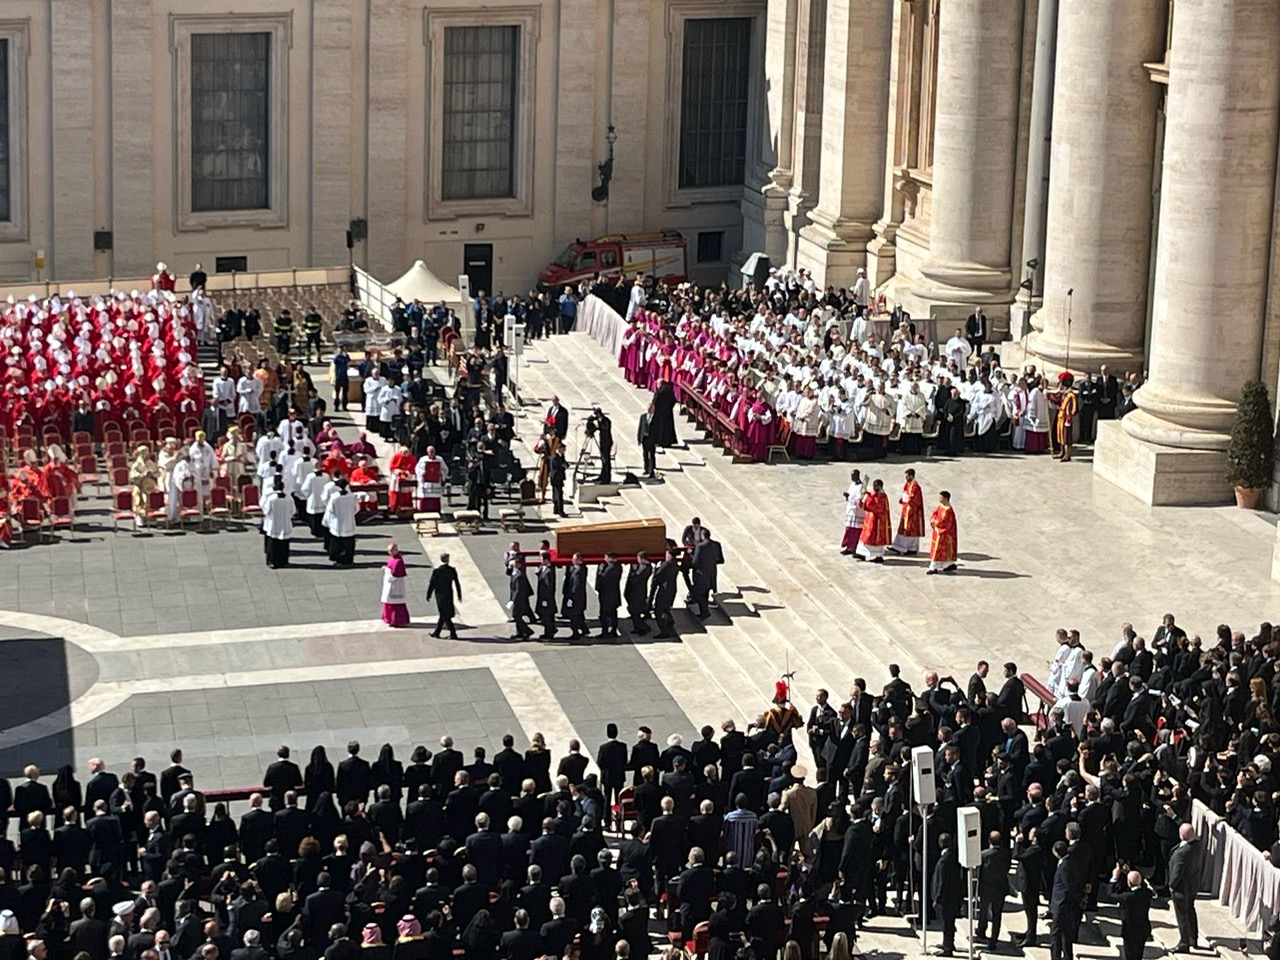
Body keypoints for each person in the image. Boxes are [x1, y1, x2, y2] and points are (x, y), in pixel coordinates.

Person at [1168, 822, 1201, 953]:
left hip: (1182, 888)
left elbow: (1177, 873)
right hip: (1192, 885)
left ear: (1182, 835)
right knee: (1190, 911)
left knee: (1182, 915)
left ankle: (1184, 942)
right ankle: (1193, 938)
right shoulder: (1197, 845)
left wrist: (1171, 885)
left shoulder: (1182, 853)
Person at [1113, 868, 1152, 960]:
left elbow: (1111, 894)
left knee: (1130, 955)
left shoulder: (1127, 897)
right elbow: (1142, 885)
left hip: (1130, 931)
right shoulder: (1147, 894)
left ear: (1129, 883)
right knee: (1138, 955)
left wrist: (1115, 877)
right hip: (1142, 929)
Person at [426, 554, 462, 639]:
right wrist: (459, 594)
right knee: (444, 614)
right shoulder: (452, 570)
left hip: (440, 595)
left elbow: (432, 584)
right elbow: (457, 584)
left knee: (444, 615)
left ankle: (453, 633)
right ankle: (437, 632)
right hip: (449, 594)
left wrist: (429, 594)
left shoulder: (437, 571)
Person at [855, 479, 891, 563]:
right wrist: (864, 494)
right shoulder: (874, 494)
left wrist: (867, 498)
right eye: (874, 486)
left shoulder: (883, 497)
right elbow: (869, 498)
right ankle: (862, 553)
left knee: (875, 538)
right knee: (865, 537)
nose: (874, 487)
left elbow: (874, 506)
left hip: (878, 522)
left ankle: (878, 556)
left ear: (880, 486)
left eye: (876, 486)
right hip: (870, 519)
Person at [889, 468, 924, 555]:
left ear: (911, 476)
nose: (906, 478)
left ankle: (911, 548)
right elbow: (905, 494)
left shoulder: (916, 487)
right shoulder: (908, 484)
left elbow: (915, 499)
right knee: (903, 528)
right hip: (906, 510)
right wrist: (902, 499)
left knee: (911, 530)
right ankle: (898, 546)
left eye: (907, 476)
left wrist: (907, 499)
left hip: (913, 512)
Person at [261, 480, 293, 569]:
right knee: (284, 544)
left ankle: (272, 561)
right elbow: (292, 511)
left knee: (273, 544)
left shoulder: (271, 499)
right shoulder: (289, 498)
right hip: (285, 523)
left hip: (274, 524)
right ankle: (283, 560)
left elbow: (266, 511)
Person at [650, 548, 680, 639]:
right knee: (665, 609)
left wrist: (655, 569)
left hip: (664, 590)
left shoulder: (666, 564)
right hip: (672, 589)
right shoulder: (675, 564)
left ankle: (664, 630)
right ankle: (669, 622)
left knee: (659, 610)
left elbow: (657, 576)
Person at [927, 491, 958, 574]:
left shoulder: (948, 510)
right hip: (938, 531)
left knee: (938, 550)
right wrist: (933, 519)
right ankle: (947, 564)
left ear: (946, 499)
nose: (939, 499)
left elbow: (943, 521)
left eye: (941, 498)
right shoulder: (941, 506)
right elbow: (935, 513)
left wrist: (935, 522)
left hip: (944, 533)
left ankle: (933, 567)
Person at [381, 543, 410, 628]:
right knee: (390, 602)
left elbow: (396, 573)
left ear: (395, 550)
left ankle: (397, 620)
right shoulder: (392, 559)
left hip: (396, 585)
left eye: (390, 550)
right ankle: (389, 619)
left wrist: (387, 569)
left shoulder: (398, 561)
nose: (389, 552)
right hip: (391, 584)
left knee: (396, 603)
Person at [595, 552, 623, 639]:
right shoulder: (618, 566)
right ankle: (613, 630)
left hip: (607, 595)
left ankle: (605, 632)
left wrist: (600, 569)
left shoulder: (611, 567)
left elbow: (603, 577)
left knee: (604, 614)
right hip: (613, 594)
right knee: (613, 613)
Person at [839, 469, 864, 556]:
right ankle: (848, 546)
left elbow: (859, 499)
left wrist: (849, 498)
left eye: (853, 476)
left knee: (856, 530)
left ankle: (854, 547)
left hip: (857, 511)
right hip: (850, 510)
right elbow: (850, 495)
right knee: (849, 529)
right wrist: (847, 496)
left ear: (857, 475)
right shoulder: (852, 484)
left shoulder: (861, 486)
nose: (852, 478)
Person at [564, 554, 589, 640]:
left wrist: (571, 597)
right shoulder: (579, 569)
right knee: (579, 615)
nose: (572, 560)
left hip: (576, 598)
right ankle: (584, 629)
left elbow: (576, 586)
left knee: (574, 615)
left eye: (574, 559)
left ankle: (575, 632)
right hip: (579, 598)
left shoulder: (579, 571)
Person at [1054, 372, 1078, 462]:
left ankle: (1067, 455)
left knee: (1067, 437)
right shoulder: (1064, 393)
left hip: (1066, 419)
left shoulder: (1071, 394)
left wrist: (1069, 418)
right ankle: (1062, 452)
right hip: (1061, 417)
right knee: (1061, 436)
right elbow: (1057, 400)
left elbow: (1073, 408)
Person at [510, 559, 535, 641]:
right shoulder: (515, 573)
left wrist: (513, 600)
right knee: (517, 616)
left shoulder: (519, 575)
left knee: (517, 616)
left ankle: (527, 631)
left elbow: (518, 590)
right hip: (517, 599)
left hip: (519, 600)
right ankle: (520, 632)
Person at [535, 552, 558, 640]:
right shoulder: (543, 568)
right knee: (544, 615)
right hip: (542, 596)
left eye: (541, 559)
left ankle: (550, 631)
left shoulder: (549, 571)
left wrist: (546, 599)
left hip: (546, 598)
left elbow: (549, 586)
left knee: (547, 615)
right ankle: (548, 631)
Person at [636, 403, 658, 479]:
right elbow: (640, 428)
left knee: (651, 455)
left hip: (651, 439)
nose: (649, 410)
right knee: (645, 454)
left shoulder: (656, 418)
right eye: (648, 408)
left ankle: (652, 470)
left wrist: (657, 440)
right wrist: (639, 438)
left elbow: (658, 430)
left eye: (650, 408)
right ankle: (646, 468)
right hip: (644, 438)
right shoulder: (643, 417)